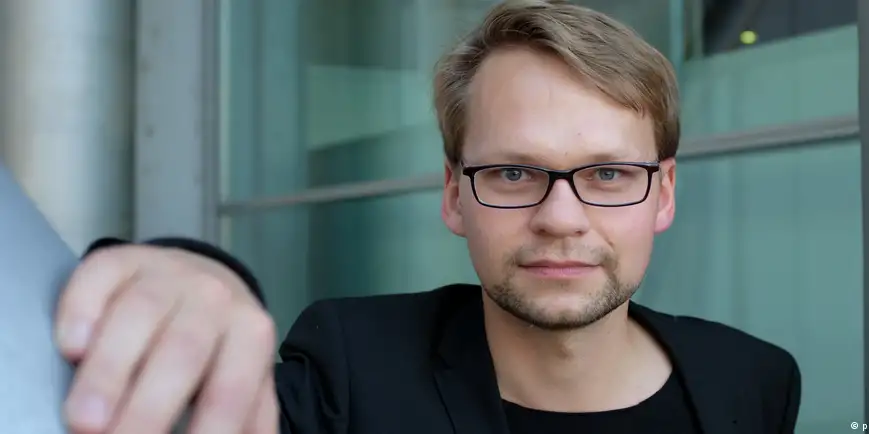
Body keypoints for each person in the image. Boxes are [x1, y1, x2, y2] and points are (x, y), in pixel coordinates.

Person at [56, 1, 800, 433]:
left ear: (663, 194)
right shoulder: (351, 370)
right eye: (514, 173)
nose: (560, 217)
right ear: (453, 194)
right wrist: (191, 278)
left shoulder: (753, 380)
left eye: (608, 174)